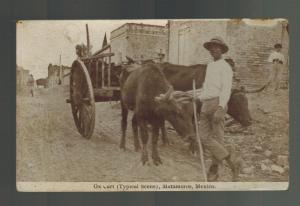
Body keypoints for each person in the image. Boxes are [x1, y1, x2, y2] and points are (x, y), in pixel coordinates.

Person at [190, 37, 241, 181]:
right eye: (211, 47)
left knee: (218, 138)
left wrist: (220, 107)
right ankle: (231, 160)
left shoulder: (225, 67)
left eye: (217, 47)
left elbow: (225, 90)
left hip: (218, 104)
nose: (213, 50)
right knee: (204, 137)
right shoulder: (210, 66)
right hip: (206, 104)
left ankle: (214, 169)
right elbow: (208, 88)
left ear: (222, 50)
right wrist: (198, 98)